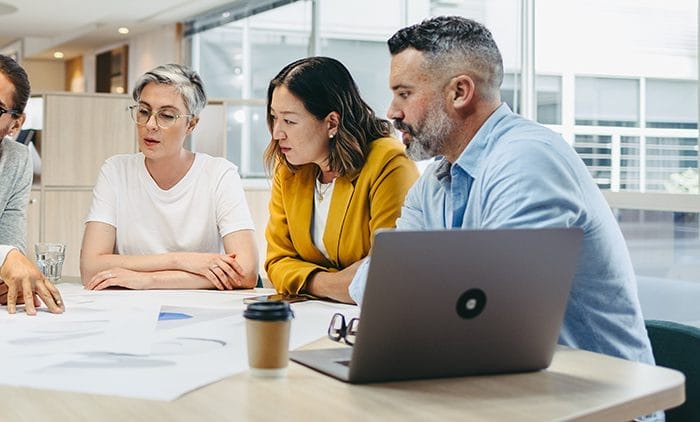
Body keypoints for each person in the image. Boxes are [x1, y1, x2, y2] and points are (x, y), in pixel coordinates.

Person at [348, 16, 656, 365]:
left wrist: (421, 279)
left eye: (404, 93)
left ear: (460, 92)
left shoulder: (527, 160)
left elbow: (494, 314)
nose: (392, 112)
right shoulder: (434, 183)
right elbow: (372, 287)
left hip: (600, 401)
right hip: (502, 380)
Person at [80, 63, 259, 290]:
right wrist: (180, 260)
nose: (150, 125)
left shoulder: (219, 174)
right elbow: (91, 267)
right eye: (143, 112)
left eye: (166, 116)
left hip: (201, 310)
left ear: (191, 124)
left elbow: (246, 272)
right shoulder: (116, 171)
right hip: (129, 308)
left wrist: (149, 280)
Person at [264, 57, 418, 303]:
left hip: (371, 319)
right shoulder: (290, 169)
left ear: (332, 122)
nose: (276, 133)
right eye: (274, 117)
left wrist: (303, 278)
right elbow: (277, 260)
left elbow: (387, 270)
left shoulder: (389, 162)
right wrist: (330, 284)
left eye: (290, 121)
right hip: (312, 316)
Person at [0, 54, 64, 315]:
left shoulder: (18, 158)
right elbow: (8, 255)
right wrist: (5, 257)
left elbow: (11, 240)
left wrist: (8, 262)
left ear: (16, 122)